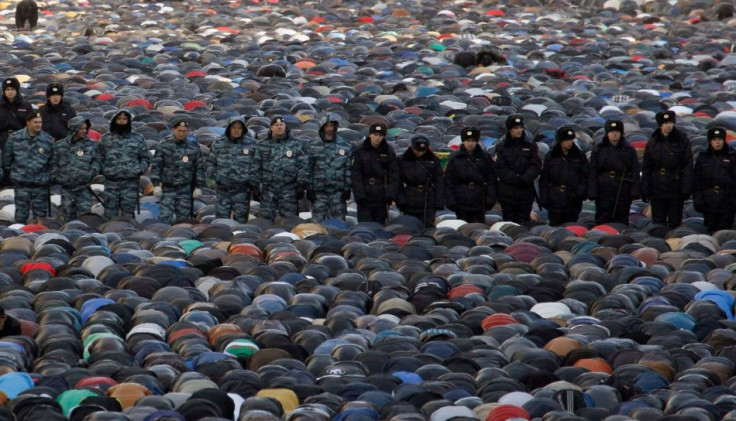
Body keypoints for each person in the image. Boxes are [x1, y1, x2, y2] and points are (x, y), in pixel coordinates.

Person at [641, 110, 693, 229]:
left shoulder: (682, 140)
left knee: (675, 220)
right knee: (658, 221)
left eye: (670, 122)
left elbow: (688, 165)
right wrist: (645, 187)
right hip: (657, 184)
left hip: (675, 184)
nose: (669, 125)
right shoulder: (653, 141)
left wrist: (686, 187)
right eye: (665, 123)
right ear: (660, 125)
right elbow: (647, 166)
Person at [98, 110, 151, 219]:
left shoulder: (138, 138)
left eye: (124, 119)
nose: (122, 122)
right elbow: (98, 157)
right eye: (119, 119)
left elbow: (145, 158)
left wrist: (139, 170)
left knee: (128, 215)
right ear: (114, 121)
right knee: (109, 215)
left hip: (130, 183)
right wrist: (104, 170)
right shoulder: (105, 138)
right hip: (111, 182)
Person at [253, 116, 308, 221]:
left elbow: (304, 165)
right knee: (266, 219)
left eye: (281, 125)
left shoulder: (296, 144)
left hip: (289, 189)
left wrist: (301, 184)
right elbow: (256, 166)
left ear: (285, 127)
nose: (279, 127)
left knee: (289, 219)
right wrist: (255, 185)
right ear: (271, 128)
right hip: (268, 189)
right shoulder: (262, 145)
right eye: (276, 125)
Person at [3, 111, 54, 223]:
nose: (38, 125)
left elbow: (53, 162)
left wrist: (47, 176)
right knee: (20, 217)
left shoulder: (48, 140)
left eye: (40, 122)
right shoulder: (15, 138)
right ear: (28, 123)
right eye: (35, 122)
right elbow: (7, 159)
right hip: (21, 184)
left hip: (40, 185)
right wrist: (16, 173)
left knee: (41, 218)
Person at [588, 120, 641, 225]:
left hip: (623, 187)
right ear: (607, 133)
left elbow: (635, 171)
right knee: (603, 217)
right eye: (612, 131)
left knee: (621, 217)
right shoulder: (599, 149)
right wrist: (592, 191)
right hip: (603, 188)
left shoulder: (628, 149)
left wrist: (635, 191)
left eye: (617, 131)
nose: (615, 134)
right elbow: (593, 171)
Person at [151, 121, 205, 223]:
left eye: (184, 131)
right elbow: (157, 165)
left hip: (185, 188)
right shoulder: (164, 145)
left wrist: (199, 187)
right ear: (174, 130)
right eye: (179, 131)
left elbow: (199, 168)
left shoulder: (193, 146)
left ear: (188, 131)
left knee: (183, 219)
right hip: (168, 187)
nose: (181, 133)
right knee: (165, 217)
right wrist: (156, 184)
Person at [205, 117, 257, 223]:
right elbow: (210, 162)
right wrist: (215, 177)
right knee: (221, 220)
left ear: (243, 129)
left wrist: (252, 180)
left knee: (240, 221)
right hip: (223, 189)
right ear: (229, 128)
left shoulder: (252, 144)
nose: (236, 130)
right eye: (234, 127)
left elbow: (257, 164)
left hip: (242, 189)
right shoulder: (219, 143)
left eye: (239, 128)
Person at [493, 114, 542, 224]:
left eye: (520, 127)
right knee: (509, 222)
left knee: (524, 221)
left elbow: (536, 165)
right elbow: (499, 167)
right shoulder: (502, 147)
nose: (519, 130)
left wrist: (525, 178)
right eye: (516, 128)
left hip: (526, 191)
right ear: (510, 130)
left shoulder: (531, 146)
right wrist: (514, 178)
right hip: (508, 192)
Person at [51, 117, 101, 221]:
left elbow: (97, 161)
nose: (85, 131)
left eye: (85, 128)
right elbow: (53, 163)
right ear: (74, 129)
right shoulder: (60, 145)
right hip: (67, 189)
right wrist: (58, 177)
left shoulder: (92, 145)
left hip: (84, 188)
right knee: (67, 217)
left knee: (85, 218)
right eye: (81, 129)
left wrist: (90, 173)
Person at [539, 126, 589, 226]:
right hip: (556, 197)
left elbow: (585, 176)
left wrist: (580, 193)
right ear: (560, 141)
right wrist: (544, 198)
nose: (569, 142)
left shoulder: (579, 156)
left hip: (573, 198)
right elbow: (545, 178)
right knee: (555, 225)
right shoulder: (552, 156)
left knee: (571, 225)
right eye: (566, 140)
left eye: (571, 140)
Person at [306, 113, 352, 222]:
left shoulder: (345, 145)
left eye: (332, 126)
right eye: (327, 126)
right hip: (319, 191)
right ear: (322, 127)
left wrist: (347, 188)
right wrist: (309, 188)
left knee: (339, 222)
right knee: (317, 222)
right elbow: (308, 168)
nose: (329, 129)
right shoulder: (313, 145)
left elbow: (347, 169)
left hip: (338, 191)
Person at [351, 123, 399, 224]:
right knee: (365, 224)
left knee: (379, 224)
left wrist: (390, 194)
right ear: (370, 135)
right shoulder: (360, 150)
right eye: (375, 134)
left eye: (380, 135)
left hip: (381, 193)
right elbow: (356, 175)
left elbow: (394, 174)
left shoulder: (388, 151)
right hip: (365, 192)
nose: (377, 138)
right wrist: (359, 196)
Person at [445, 127, 495, 223]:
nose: (470, 143)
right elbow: (449, 181)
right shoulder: (455, 157)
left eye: (473, 141)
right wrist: (451, 200)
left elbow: (491, 180)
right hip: (461, 199)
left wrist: (490, 199)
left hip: (479, 199)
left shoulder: (485, 157)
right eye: (468, 141)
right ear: (463, 141)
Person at [693, 127, 736, 232]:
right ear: (710, 141)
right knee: (710, 229)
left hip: (727, 199)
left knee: (725, 230)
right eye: (714, 140)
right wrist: (698, 199)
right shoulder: (703, 157)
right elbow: (697, 181)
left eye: (720, 139)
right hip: (709, 199)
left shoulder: (732, 156)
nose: (718, 142)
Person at [397, 134, 445, 227]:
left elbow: (439, 182)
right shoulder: (402, 160)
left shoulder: (433, 160)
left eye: (422, 151)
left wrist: (439, 202)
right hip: (409, 198)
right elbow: (398, 182)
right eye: (417, 150)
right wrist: (401, 201)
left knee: (427, 226)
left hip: (428, 198)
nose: (420, 153)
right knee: (411, 226)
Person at [0, 77, 33, 152]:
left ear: (17, 90)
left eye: (12, 89)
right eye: (7, 90)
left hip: (21, 141)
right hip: (2, 141)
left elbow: (31, 126)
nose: (10, 92)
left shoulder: (26, 107)